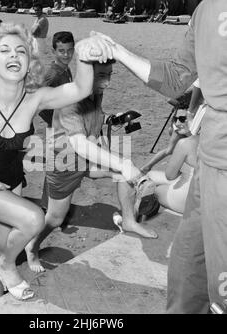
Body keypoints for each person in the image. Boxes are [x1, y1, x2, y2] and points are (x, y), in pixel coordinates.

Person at [0, 22, 116, 301]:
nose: (13, 56)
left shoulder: (34, 99)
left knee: (1, 244)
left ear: (29, 62)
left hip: (12, 181)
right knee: (33, 219)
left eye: (20, 51)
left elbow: (83, 88)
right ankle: (7, 266)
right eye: (4, 50)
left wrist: (84, 53)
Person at [99, 0, 227, 313]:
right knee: (187, 271)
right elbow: (177, 77)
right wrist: (117, 50)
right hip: (209, 166)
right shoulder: (206, 8)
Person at [25, 60, 158, 273]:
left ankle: (129, 221)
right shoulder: (69, 100)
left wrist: (110, 119)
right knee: (56, 218)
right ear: (85, 74)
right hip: (65, 162)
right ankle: (32, 247)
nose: (107, 82)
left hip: (88, 154)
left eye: (110, 74)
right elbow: (79, 144)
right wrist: (122, 163)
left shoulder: (94, 90)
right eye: (102, 76)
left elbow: (93, 117)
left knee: (121, 172)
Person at [39, 31, 74, 128]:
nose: (66, 55)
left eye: (69, 50)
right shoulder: (53, 76)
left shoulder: (66, 69)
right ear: (54, 51)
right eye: (61, 51)